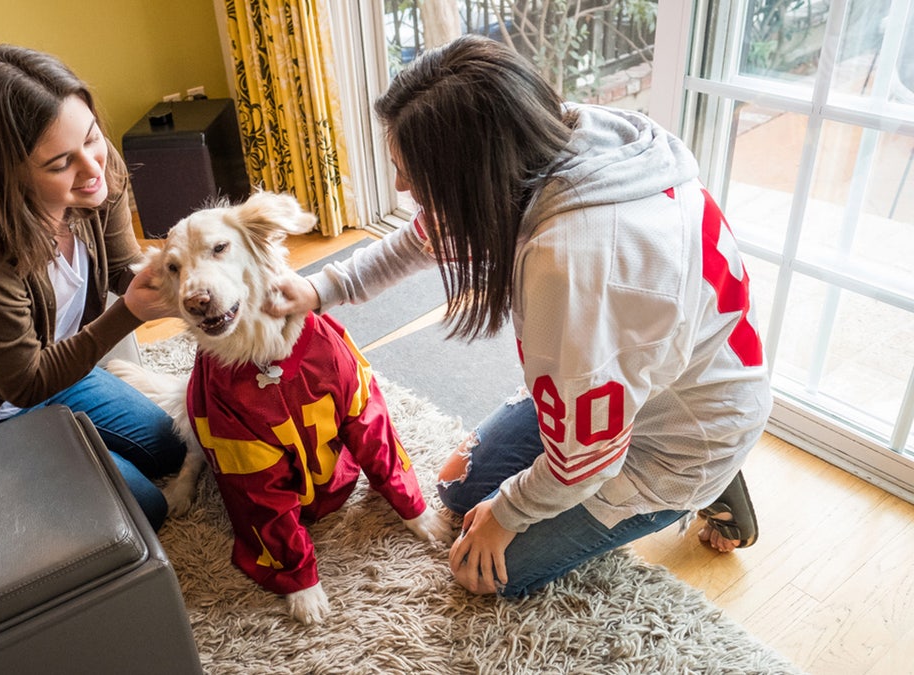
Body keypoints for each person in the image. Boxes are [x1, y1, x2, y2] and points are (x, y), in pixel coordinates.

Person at [270, 34, 770, 598]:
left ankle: (712, 485)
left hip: (673, 443)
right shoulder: (565, 135)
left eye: (410, 172)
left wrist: (508, 512)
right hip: (635, 384)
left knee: (477, 571)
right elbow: (425, 235)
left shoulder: (573, 268)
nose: (400, 186)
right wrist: (318, 288)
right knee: (457, 490)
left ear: (470, 174)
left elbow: (589, 458)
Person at [0, 45, 185, 530]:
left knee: (171, 446)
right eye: (60, 163)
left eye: (92, 137)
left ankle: (56, 452)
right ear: (8, 174)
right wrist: (129, 312)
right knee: (143, 510)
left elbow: (120, 265)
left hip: (51, 366)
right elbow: (25, 384)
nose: (91, 167)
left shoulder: (96, 177)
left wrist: (182, 281)